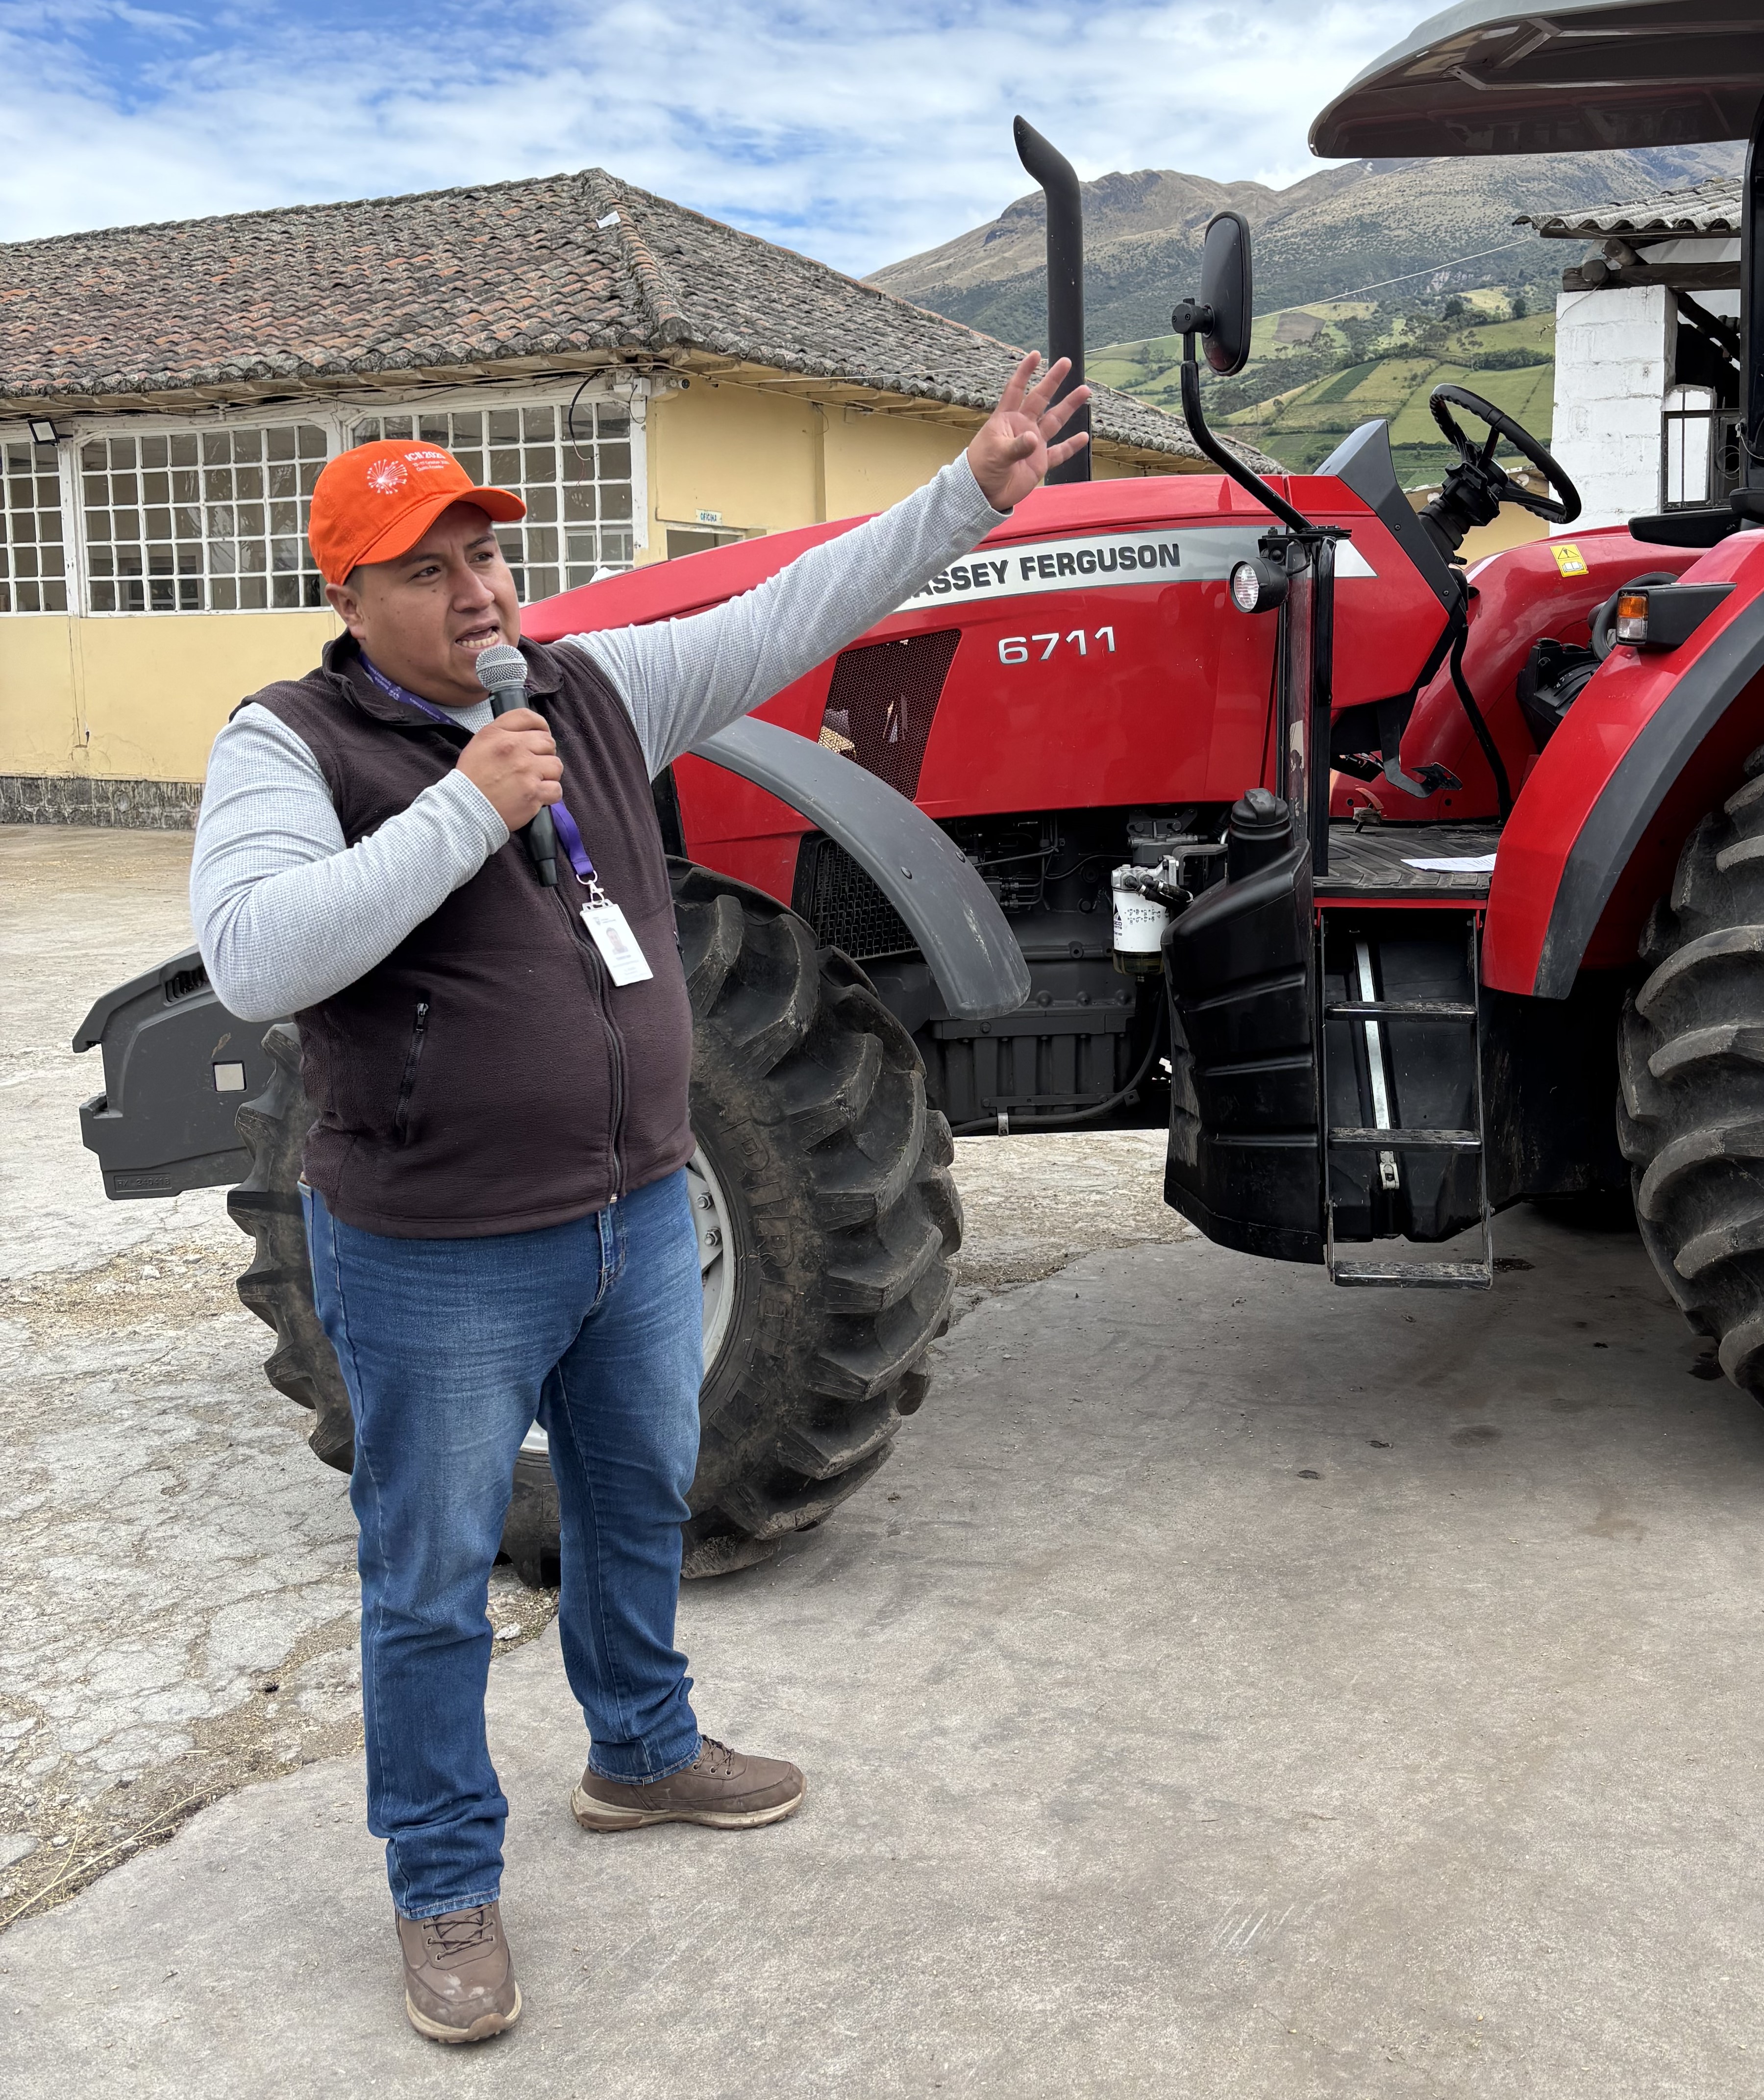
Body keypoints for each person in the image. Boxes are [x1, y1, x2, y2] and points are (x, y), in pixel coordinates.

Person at [190, 355, 1089, 2045]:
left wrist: (971, 489)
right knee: (434, 1572)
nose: (477, 593)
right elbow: (257, 959)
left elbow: (791, 603)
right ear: (349, 592)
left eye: (486, 557)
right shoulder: (287, 743)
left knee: (635, 1498)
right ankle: (444, 1877)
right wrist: (467, 805)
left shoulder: (587, 693)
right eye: (428, 571)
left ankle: (644, 1749)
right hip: (436, 1252)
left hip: (632, 1217)